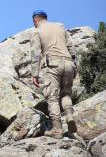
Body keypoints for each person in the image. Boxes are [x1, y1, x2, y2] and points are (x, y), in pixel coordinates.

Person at [30, 10, 77, 139]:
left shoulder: (36, 31)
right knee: (66, 93)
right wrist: (75, 66)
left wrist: (35, 73)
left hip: (52, 65)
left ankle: (57, 130)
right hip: (68, 63)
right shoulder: (60, 27)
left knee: (52, 98)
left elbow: (36, 54)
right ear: (46, 18)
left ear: (35, 20)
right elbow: (72, 49)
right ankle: (69, 116)